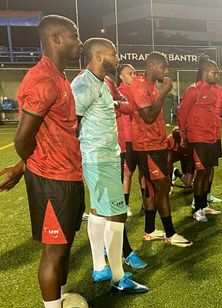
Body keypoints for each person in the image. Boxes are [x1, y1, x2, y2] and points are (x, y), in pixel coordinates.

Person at [0, 15, 85, 308]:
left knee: (64, 249)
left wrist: (22, 168)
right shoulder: (43, 80)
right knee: (53, 253)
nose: (79, 42)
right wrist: (27, 167)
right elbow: (24, 139)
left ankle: (58, 304)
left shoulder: (59, 76)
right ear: (56, 38)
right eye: (75, 37)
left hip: (67, 175)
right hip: (51, 179)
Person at [71, 38, 148, 293]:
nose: (117, 57)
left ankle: (98, 267)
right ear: (98, 55)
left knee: (98, 212)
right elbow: (72, 123)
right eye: (113, 54)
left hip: (105, 156)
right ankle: (118, 276)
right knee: (117, 214)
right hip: (98, 158)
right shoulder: (83, 84)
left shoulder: (102, 82)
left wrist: (113, 104)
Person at [129, 51, 192, 247]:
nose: (166, 71)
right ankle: (170, 234)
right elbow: (148, 116)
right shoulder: (140, 84)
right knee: (163, 187)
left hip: (156, 143)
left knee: (151, 188)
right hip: (148, 145)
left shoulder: (150, 85)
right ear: (151, 66)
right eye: (163, 67)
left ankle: (149, 230)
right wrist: (165, 91)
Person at [178, 56, 222, 222]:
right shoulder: (194, 90)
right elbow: (181, 114)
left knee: (208, 171)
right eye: (215, 73)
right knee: (202, 172)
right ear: (205, 72)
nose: (217, 76)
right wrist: (184, 137)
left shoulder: (215, 91)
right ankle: (197, 209)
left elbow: (217, 113)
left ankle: (204, 204)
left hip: (212, 137)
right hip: (198, 138)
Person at [116, 63, 145, 215]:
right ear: (121, 76)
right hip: (128, 139)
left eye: (134, 73)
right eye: (129, 73)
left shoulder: (138, 90)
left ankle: (146, 203)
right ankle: (125, 205)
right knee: (127, 173)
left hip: (141, 137)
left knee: (144, 171)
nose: (133, 76)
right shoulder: (119, 92)